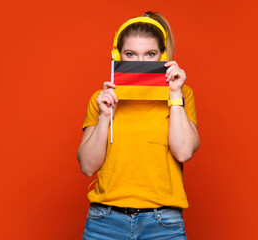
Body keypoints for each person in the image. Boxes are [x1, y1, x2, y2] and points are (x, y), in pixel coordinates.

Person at [77, 11, 200, 239]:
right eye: (131, 54)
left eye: (150, 54)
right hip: (104, 224)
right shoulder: (101, 99)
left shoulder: (182, 95)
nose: (140, 62)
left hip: (163, 226)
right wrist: (105, 116)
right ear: (118, 56)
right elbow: (87, 166)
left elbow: (183, 152)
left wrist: (174, 94)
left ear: (163, 56)